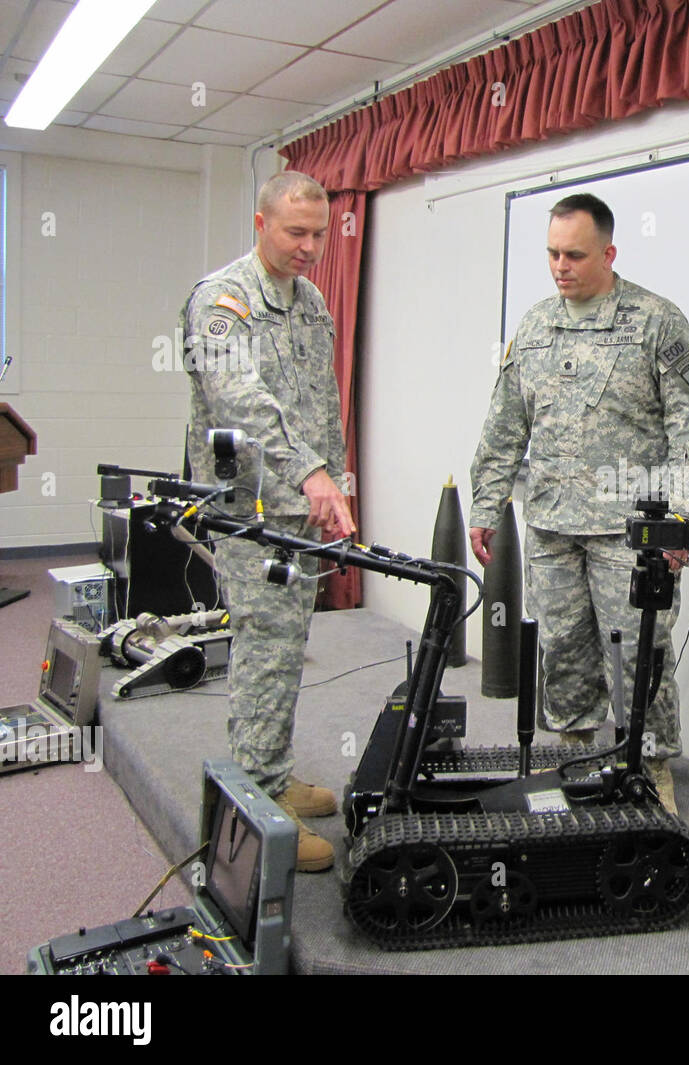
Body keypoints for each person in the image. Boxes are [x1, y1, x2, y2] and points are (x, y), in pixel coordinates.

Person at [470, 193, 689, 814]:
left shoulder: (656, 321)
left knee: (641, 652)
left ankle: (651, 765)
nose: (561, 266)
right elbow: (504, 424)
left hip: (630, 532)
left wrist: (681, 518)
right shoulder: (533, 326)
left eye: (575, 254)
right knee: (563, 649)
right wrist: (485, 503)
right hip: (551, 523)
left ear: (608, 252)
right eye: (553, 253)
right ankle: (575, 755)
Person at [182, 171, 355, 872]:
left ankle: (274, 772)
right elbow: (240, 399)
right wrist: (309, 471)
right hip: (251, 508)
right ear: (260, 224)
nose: (310, 246)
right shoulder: (221, 300)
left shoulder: (310, 302)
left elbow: (324, 397)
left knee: (289, 647)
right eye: (295, 232)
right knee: (263, 649)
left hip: (303, 506)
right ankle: (254, 799)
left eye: (319, 233)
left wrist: (336, 483)